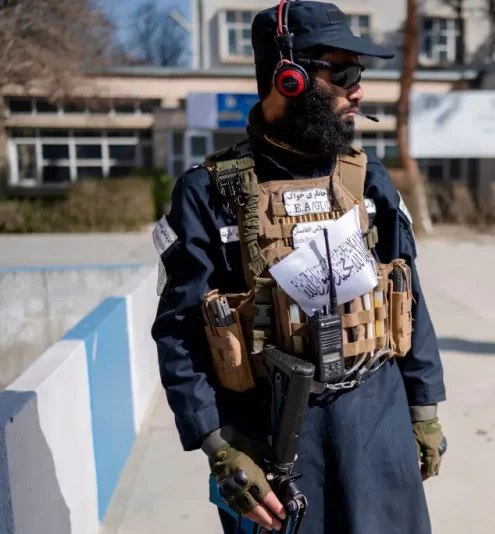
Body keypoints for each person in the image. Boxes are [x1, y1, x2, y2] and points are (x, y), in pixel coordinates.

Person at [150, 2, 447, 533]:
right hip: (271, 449)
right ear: (289, 78)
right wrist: (219, 448)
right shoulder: (207, 193)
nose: (359, 91)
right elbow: (179, 332)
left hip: (377, 428)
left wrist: (423, 410)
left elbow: (409, 294)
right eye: (345, 74)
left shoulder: (367, 179)